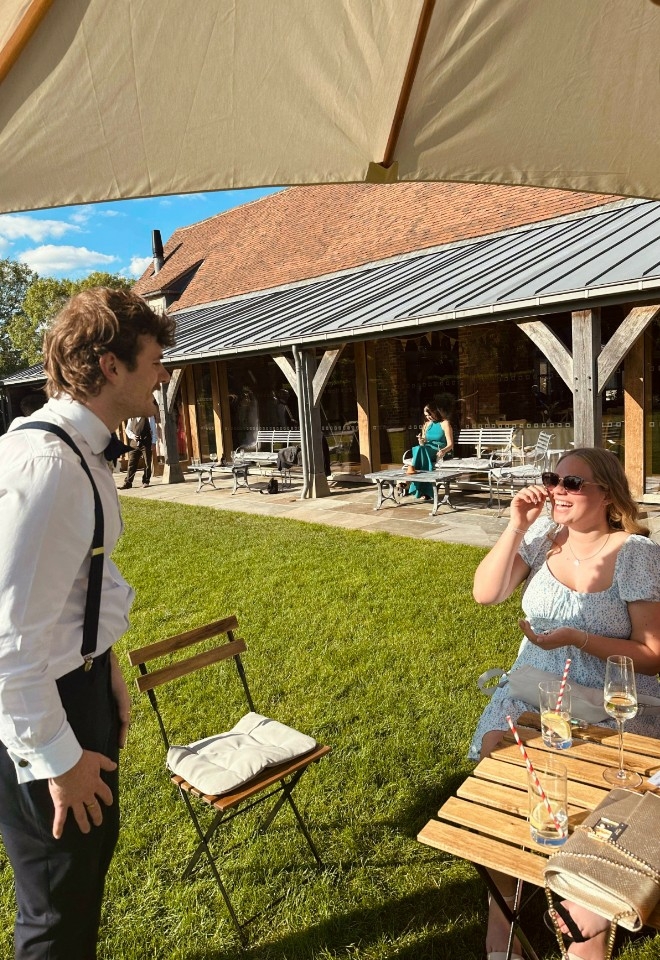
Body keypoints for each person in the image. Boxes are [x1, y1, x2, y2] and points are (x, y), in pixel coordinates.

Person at [0, 287, 175, 959]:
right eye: (154, 360)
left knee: (83, 878)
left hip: (80, 686)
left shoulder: (77, 451)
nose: (162, 374)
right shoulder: (48, 466)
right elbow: (9, 646)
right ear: (110, 366)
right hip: (46, 709)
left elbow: (75, 587)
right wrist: (59, 760)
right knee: (57, 912)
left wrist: (107, 668)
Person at [471, 448, 660, 960]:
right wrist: (516, 525)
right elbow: (486, 593)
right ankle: (503, 921)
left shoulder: (636, 554)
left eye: (572, 482)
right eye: (552, 478)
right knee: (501, 762)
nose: (557, 489)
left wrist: (578, 638)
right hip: (534, 687)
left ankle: (586, 918)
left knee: (598, 799)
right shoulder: (542, 536)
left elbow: (651, 656)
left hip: (612, 700)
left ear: (607, 495)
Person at [407, 403, 453, 500]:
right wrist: (421, 441)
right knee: (419, 448)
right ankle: (425, 490)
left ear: (435, 412)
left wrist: (443, 450)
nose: (428, 417)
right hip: (426, 450)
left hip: (440, 450)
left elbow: (450, 445)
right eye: (426, 415)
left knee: (420, 451)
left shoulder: (445, 423)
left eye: (430, 414)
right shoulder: (427, 425)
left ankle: (411, 482)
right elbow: (423, 443)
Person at [120, 410, 155, 488]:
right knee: (131, 463)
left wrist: (153, 442)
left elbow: (153, 430)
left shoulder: (149, 416)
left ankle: (146, 481)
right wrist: (133, 436)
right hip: (134, 443)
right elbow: (127, 429)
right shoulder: (132, 416)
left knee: (147, 462)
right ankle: (128, 482)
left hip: (146, 442)